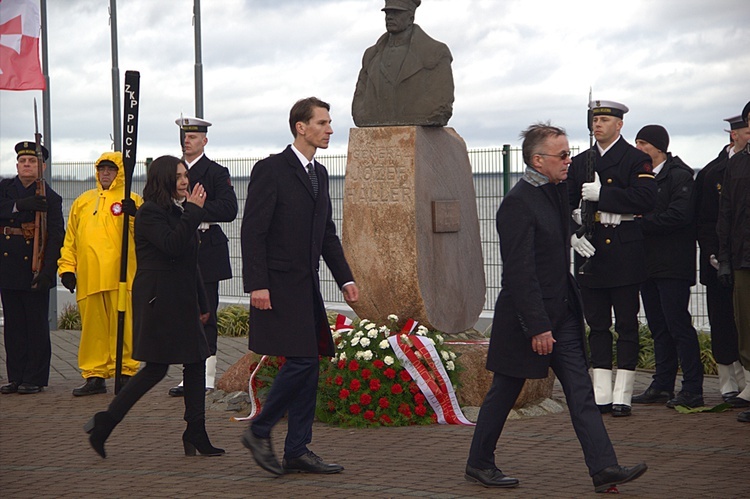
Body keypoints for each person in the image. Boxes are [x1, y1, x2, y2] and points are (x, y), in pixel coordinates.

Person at [465, 123, 647, 493]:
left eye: (568, 153)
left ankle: (603, 468)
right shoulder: (517, 204)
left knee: (581, 391)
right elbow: (519, 273)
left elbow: (575, 197)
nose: (569, 161)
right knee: (504, 391)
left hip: (562, 311)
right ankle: (479, 462)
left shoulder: (556, 190)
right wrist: (536, 326)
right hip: (526, 316)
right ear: (537, 160)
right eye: (562, 156)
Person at [240, 97, 360, 475]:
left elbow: (325, 234)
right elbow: (252, 232)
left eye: (329, 122)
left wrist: (346, 278)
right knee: (303, 361)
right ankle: (259, 430)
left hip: (305, 287)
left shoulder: (320, 175)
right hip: (275, 286)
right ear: (300, 127)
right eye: (322, 123)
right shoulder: (271, 170)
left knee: (309, 364)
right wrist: (257, 284)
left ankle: (297, 450)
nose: (329, 129)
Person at [83, 155, 224, 458]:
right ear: (163, 179)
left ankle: (195, 431)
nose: (185, 181)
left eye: (185, 175)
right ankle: (105, 422)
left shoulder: (179, 211)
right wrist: (194, 213)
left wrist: (202, 301)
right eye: (179, 176)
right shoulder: (149, 213)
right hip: (159, 299)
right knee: (156, 369)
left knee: (197, 360)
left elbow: (191, 262)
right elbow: (172, 245)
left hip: (183, 297)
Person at [568, 100, 656, 416]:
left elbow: (647, 198)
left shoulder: (636, 160)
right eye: (595, 120)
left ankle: (623, 393)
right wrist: (572, 232)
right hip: (591, 252)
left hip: (624, 250)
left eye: (604, 120)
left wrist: (604, 197)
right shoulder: (580, 162)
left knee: (627, 324)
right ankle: (601, 392)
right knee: (598, 324)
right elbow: (562, 203)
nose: (598, 125)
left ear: (619, 125)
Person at [57, 151, 143, 396]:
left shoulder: (133, 199)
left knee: (124, 327)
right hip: (91, 278)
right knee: (93, 330)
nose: (105, 173)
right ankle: (94, 375)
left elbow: (147, 235)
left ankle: (125, 372)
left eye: (111, 169)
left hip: (122, 277)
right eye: (101, 169)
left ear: (120, 172)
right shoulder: (83, 201)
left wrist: (136, 215)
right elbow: (70, 239)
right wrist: (67, 269)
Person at [633, 125, 704, 409]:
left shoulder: (680, 176)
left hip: (674, 264)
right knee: (658, 327)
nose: (638, 149)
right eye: (636, 143)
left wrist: (641, 222)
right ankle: (662, 384)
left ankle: (693, 388)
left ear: (659, 147)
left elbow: (679, 216)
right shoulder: (642, 177)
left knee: (678, 326)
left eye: (643, 143)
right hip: (647, 264)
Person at [167, 116, 238, 397]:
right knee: (186, 314)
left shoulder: (216, 172)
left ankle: (207, 374)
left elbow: (229, 209)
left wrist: (195, 208)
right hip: (181, 246)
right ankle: (190, 374)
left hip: (206, 247)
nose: (188, 140)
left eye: (193, 137)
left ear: (204, 141)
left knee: (206, 313)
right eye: (185, 136)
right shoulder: (174, 171)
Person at [0, 142, 64, 395]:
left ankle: (35, 377)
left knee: (36, 325)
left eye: (32, 162)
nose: (27, 165)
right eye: (23, 161)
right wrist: (21, 206)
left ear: (42, 167)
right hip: (7, 266)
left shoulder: (51, 197)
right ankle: (15, 376)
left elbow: (56, 236)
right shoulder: (5, 189)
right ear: (17, 165)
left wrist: (49, 271)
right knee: (13, 326)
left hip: (34, 268)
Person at [692, 117, 747, 407]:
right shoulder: (711, 174)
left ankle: (745, 381)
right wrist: (713, 253)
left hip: (743, 258)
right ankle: (727, 381)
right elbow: (703, 219)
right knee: (722, 321)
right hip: (717, 261)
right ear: (733, 134)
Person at [352, 0, 454, 127]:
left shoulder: (435, 52)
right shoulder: (371, 55)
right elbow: (360, 96)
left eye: (396, 13)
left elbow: (441, 101)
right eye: (388, 13)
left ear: (411, 17)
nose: (390, 17)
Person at [717, 101, 750, 423]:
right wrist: (725, 259)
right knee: (747, 328)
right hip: (743, 259)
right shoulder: (737, 165)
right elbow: (726, 215)